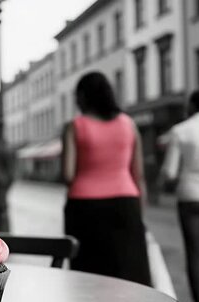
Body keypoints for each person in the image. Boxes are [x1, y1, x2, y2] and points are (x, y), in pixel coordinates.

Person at [63, 72, 151, 285]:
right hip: (125, 205)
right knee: (129, 272)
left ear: (83, 96)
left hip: (85, 207)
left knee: (89, 276)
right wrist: (140, 217)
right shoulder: (129, 124)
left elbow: (68, 174)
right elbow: (138, 176)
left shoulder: (75, 126)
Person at [161, 90, 199, 302]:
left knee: (195, 252)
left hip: (190, 195)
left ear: (192, 105)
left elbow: (170, 172)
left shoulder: (181, 130)